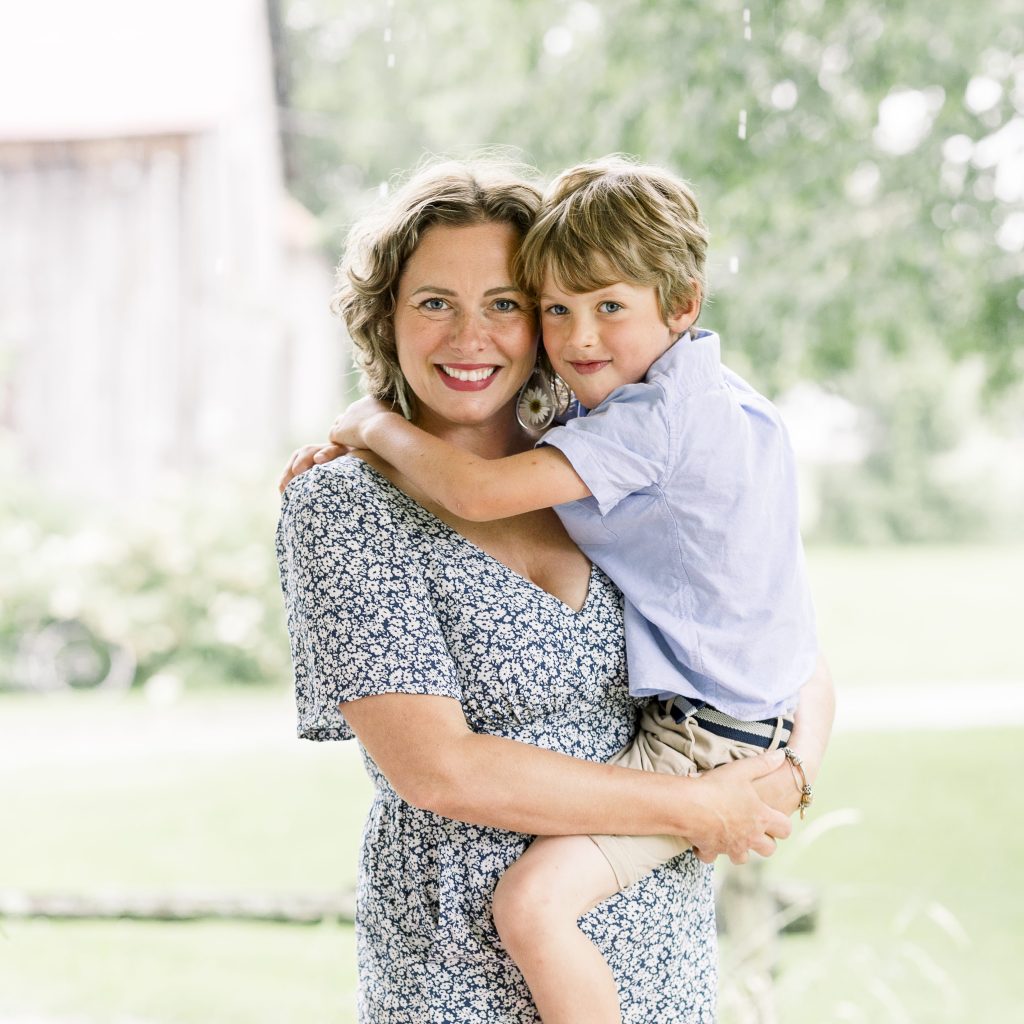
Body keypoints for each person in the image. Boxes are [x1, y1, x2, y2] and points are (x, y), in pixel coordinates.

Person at [277, 158, 834, 1024]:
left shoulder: (603, 461)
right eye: (434, 302)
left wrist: (786, 776)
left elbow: (782, 644)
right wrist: (697, 805)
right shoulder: (346, 504)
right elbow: (440, 770)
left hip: (661, 962)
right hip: (461, 977)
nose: (471, 335)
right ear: (385, 318)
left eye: (504, 302)